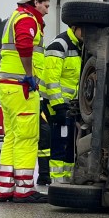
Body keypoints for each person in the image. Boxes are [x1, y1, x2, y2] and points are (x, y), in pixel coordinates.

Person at [0, 0, 49, 203]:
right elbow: (24, 44)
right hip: (22, 87)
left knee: (11, 138)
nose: (47, 10)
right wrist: (29, 75)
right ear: (35, 2)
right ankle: (24, 189)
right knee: (27, 137)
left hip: (7, 86)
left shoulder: (15, 16)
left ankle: (4, 188)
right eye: (45, 5)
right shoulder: (27, 19)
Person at [41, 24, 83, 184]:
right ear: (74, 27)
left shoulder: (80, 46)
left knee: (70, 144)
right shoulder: (59, 45)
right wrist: (58, 106)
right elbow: (51, 80)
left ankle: (68, 179)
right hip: (57, 104)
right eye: (83, 29)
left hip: (71, 105)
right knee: (60, 142)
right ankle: (57, 182)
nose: (86, 33)